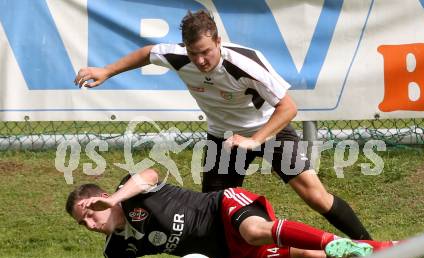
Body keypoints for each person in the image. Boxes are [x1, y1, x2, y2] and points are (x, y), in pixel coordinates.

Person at [74, 9, 370, 241]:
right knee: (213, 211)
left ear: (217, 41)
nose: (201, 60)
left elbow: (288, 107)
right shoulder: (179, 57)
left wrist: (255, 140)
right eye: (194, 53)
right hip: (223, 140)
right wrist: (107, 71)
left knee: (315, 197)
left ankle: (370, 246)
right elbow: (147, 52)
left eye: (206, 51)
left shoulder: (245, 63)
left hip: (269, 130)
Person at [57, 168, 404, 258]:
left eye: (89, 212)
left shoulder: (131, 191)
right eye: (81, 222)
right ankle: (386, 251)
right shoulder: (119, 247)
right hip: (228, 255)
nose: (89, 223)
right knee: (310, 257)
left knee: (256, 231)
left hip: (222, 208)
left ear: (101, 198)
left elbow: (149, 173)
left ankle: (353, 242)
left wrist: (115, 198)